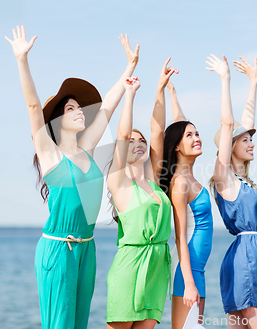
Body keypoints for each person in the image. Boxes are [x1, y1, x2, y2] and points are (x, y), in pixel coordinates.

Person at [5, 25, 139, 329]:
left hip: (86, 247)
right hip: (57, 248)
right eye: (71, 108)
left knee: (79, 323)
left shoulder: (87, 149)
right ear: (58, 119)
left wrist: (130, 67)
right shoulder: (50, 154)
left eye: (80, 108)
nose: (80, 111)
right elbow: (32, 105)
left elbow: (108, 105)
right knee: (60, 323)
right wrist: (22, 60)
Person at [106, 59, 177, 329]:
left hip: (156, 269)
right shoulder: (118, 182)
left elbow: (158, 131)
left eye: (141, 141)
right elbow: (122, 135)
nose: (138, 143)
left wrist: (160, 88)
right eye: (132, 142)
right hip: (130, 265)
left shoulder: (153, 181)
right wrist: (130, 95)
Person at [207, 54, 257, 329]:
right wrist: (225, 80)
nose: (252, 144)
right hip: (246, 261)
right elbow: (228, 125)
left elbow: (244, 123)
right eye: (245, 140)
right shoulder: (225, 179)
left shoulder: (245, 180)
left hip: (248, 259)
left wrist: (254, 83)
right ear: (230, 146)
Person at [159, 79, 214, 329]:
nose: (197, 138)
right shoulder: (180, 183)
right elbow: (180, 236)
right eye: (190, 135)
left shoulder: (190, 176)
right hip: (187, 269)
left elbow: (179, 125)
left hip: (197, 269)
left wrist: (173, 92)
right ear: (177, 147)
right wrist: (189, 282)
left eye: (197, 133)